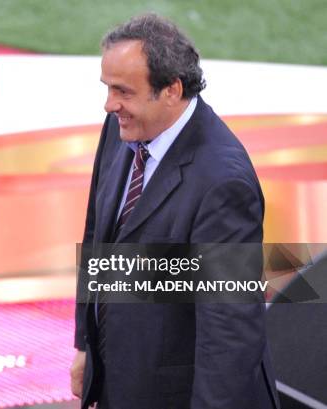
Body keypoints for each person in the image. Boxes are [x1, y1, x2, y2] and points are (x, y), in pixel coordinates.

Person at [70, 14, 280, 409]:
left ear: (171, 90)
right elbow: (99, 234)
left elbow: (229, 329)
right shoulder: (121, 126)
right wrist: (85, 343)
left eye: (123, 91)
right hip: (119, 378)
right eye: (108, 88)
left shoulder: (223, 182)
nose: (110, 104)